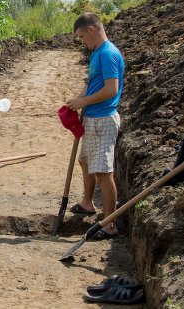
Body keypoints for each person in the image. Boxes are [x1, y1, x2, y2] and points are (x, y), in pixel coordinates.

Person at [66, 12, 125, 240]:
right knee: (85, 161)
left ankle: (110, 225)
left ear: (92, 29)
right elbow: (93, 85)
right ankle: (87, 203)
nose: (82, 41)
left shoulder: (108, 54)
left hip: (103, 120)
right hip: (92, 118)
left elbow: (111, 89)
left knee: (102, 171)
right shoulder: (96, 54)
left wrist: (84, 102)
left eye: (82, 37)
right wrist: (77, 101)